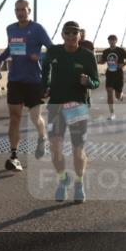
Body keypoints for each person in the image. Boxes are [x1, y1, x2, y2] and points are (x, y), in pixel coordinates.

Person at [42, 21, 99, 202]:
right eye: (68, 33)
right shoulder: (54, 52)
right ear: (62, 35)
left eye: (75, 33)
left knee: (77, 150)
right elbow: (45, 70)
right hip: (56, 106)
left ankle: (79, 183)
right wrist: (45, 86)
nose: (71, 36)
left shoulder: (87, 56)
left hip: (78, 106)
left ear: (80, 35)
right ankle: (62, 180)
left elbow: (96, 82)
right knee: (55, 148)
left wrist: (88, 82)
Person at [0, 0, 53, 172]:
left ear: (29, 10)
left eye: (23, 9)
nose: (20, 12)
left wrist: (40, 57)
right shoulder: (10, 29)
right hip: (15, 80)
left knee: (35, 118)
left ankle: (42, 138)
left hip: (34, 81)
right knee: (14, 118)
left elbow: (52, 50)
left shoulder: (37, 29)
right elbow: (11, 49)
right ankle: (14, 156)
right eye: (17, 10)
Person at [99, 34, 126, 119]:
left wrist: (123, 65)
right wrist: (98, 61)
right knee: (109, 93)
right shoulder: (106, 51)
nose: (111, 41)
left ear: (116, 41)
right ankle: (112, 114)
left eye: (113, 40)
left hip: (119, 74)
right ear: (108, 41)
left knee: (117, 96)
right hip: (109, 74)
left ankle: (121, 95)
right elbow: (103, 61)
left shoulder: (120, 50)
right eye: (110, 40)